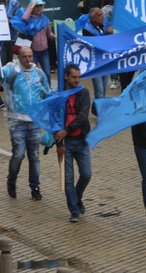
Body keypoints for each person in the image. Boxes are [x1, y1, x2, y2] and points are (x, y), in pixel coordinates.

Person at [0, 46, 50, 201]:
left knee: (35, 156)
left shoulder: (38, 73)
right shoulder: (12, 71)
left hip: (34, 122)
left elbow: (47, 94)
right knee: (18, 155)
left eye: (30, 56)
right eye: (25, 57)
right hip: (16, 121)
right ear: (18, 57)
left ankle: (35, 187)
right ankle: (11, 180)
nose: (28, 60)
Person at [55, 65, 92, 222]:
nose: (77, 80)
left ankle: (77, 197)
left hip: (81, 141)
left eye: (78, 77)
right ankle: (74, 210)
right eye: (73, 77)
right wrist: (59, 143)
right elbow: (54, 121)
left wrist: (66, 130)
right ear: (65, 77)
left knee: (86, 174)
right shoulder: (58, 95)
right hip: (66, 144)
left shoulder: (83, 92)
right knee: (68, 179)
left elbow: (83, 116)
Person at [11, 0, 54, 86]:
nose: (38, 8)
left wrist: (54, 36)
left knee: (47, 73)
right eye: (36, 6)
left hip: (44, 51)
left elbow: (49, 33)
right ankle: (34, 90)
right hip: (33, 52)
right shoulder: (29, 20)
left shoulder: (45, 19)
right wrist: (31, 5)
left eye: (40, 6)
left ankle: (48, 92)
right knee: (32, 73)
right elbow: (24, 17)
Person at [81, 7, 113, 100]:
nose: (103, 16)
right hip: (96, 64)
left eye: (102, 14)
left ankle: (98, 109)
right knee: (99, 91)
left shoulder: (105, 24)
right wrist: (107, 34)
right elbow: (97, 45)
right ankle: (99, 112)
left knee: (104, 89)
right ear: (93, 18)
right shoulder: (87, 30)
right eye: (100, 15)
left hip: (106, 61)